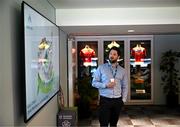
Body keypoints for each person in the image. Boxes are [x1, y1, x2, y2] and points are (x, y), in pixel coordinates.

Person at [92, 47, 128, 127]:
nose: (112, 56)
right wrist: (105, 85)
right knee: (103, 123)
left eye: (114, 54)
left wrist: (123, 100)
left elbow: (125, 86)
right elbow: (94, 83)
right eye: (110, 54)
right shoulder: (101, 68)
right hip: (105, 100)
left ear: (118, 57)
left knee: (113, 124)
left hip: (117, 100)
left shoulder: (123, 70)